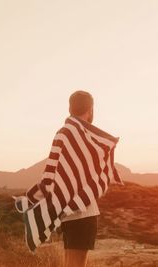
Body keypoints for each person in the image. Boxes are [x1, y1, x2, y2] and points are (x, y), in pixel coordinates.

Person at [60, 90, 99, 267]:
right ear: (90, 110)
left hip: (67, 213)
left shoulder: (63, 134)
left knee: (70, 263)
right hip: (83, 211)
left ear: (70, 108)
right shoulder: (86, 136)